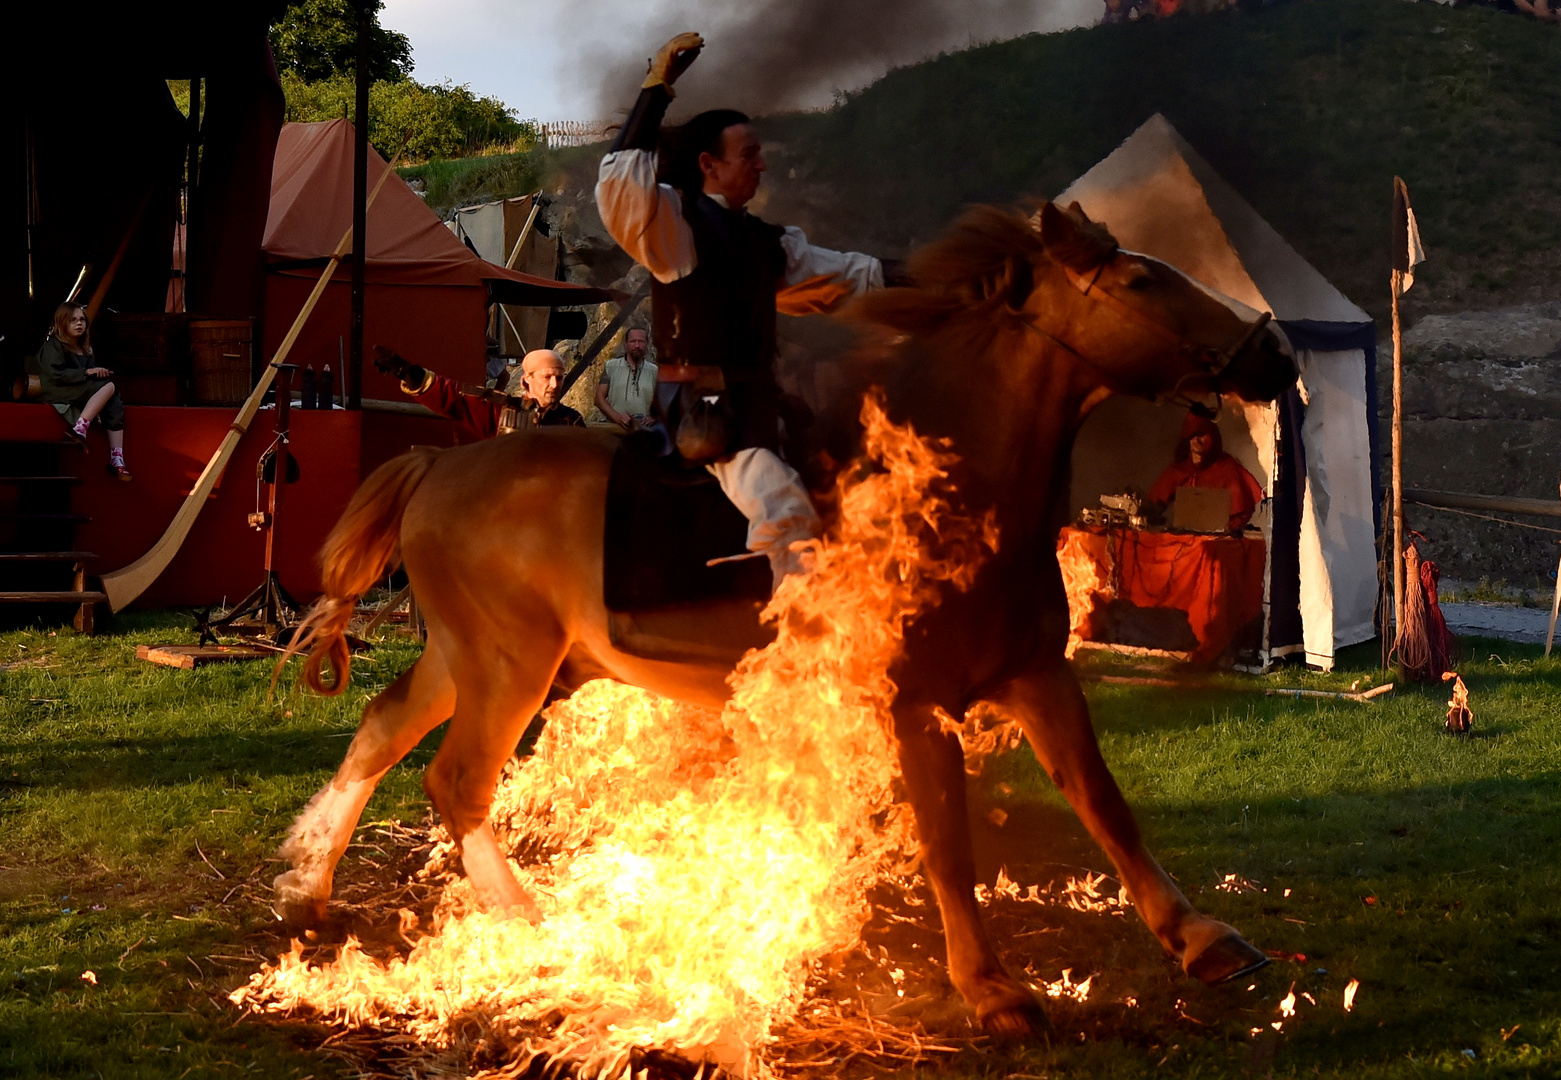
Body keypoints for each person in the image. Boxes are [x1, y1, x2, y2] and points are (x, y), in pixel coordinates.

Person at [595, 32, 887, 584]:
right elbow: (620, 191)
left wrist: (952, 275)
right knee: (788, 515)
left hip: (758, 404)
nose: (761, 166)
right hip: (703, 409)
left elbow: (851, 274)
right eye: (749, 155)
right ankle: (788, 644)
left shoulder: (763, 241)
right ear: (709, 164)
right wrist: (656, 88)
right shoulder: (675, 228)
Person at [375, 345, 584, 439]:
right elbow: (455, 397)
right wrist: (409, 373)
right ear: (525, 380)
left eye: (559, 377)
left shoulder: (571, 421)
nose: (555, 384)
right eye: (547, 377)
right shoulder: (501, 411)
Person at [37, 302, 131, 480]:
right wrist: (87, 372)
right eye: (73, 320)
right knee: (108, 387)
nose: (79, 323)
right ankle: (79, 429)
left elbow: (89, 378)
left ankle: (116, 457)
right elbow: (56, 375)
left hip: (77, 388)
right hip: (57, 390)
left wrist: (97, 372)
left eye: (82, 319)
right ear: (62, 322)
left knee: (114, 399)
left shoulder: (84, 348)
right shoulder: (54, 345)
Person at [1149, 406, 1264, 531]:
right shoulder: (1177, 471)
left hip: (1219, 542)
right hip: (1182, 540)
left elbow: (1243, 510)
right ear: (1187, 438)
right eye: (1193, 435)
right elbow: (1153, 506)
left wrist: (1226, 528)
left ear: (1212, 437)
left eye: (1202, 434)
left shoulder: (1228, 468)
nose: (1197, 439)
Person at [594, 327, 658, 430]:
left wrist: (654, 417)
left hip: (644, 431)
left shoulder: (655, 371)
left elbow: (664, 402)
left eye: (641, 341)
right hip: (615, 429)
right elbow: (599, 399)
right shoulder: (611, 367)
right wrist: (617, 418)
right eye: (633, 341)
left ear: (647, 344)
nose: (637, 345)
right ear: (626, 343)